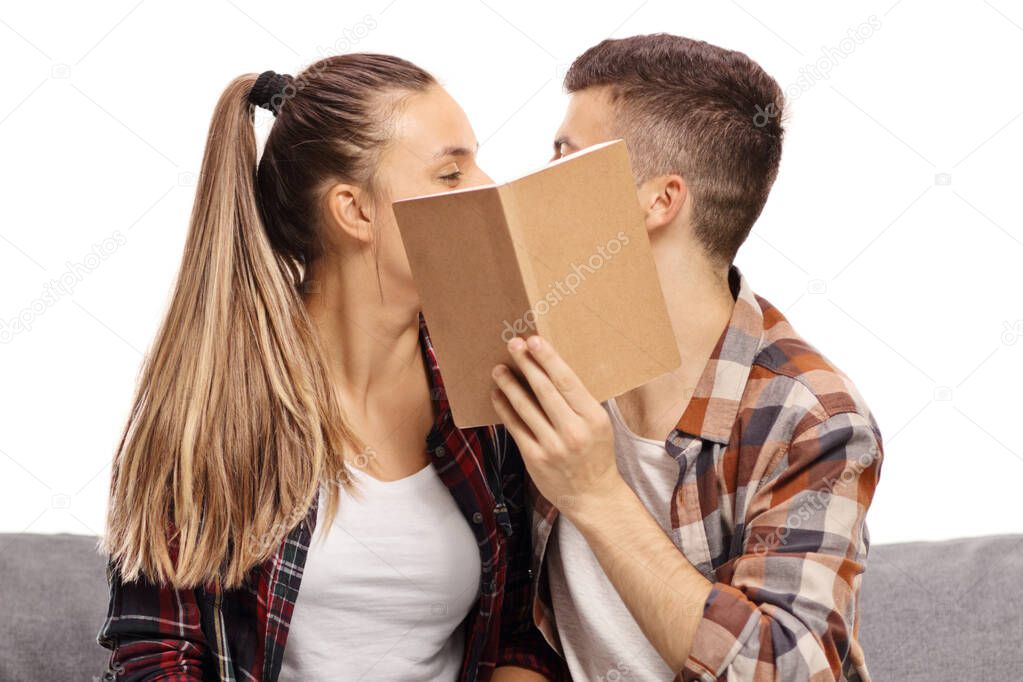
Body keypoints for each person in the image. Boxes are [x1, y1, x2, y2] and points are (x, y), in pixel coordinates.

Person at [95, 54, 564, 682]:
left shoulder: (490, 382)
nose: (488, 186)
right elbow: (155, 655)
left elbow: (520, 634)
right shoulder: (211, 406)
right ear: (356, 212)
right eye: (451, 173)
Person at [490, 34, 884, 681]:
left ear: (656, 201)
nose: (528, 184)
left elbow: (780, 671)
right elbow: (516, 623)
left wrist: (594, 492)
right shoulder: (549, 363)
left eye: (563, 156)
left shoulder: (813, 418)